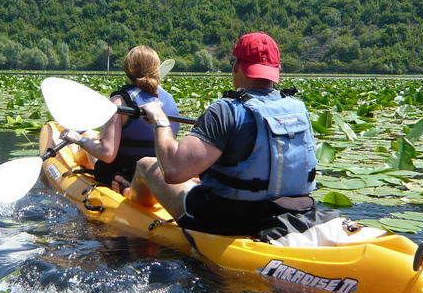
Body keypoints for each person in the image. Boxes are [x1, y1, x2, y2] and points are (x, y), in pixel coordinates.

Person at [128, 32, 326, 239]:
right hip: (295, 212)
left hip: (233, 220)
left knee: (145, 164)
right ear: (277, 70)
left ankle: (128, 207)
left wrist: (160, 121)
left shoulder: (225, 111)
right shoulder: (298, 108)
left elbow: (173, 171)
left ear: (237, 66)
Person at [60, 45, 181, 193]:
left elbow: (107, 154)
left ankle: (74, 145)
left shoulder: (120, 102)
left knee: (86, 140)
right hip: (157, 173)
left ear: (127, 69)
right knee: (92, 138)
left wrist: (79, 139)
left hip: (122, 172)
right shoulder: (170, 100)